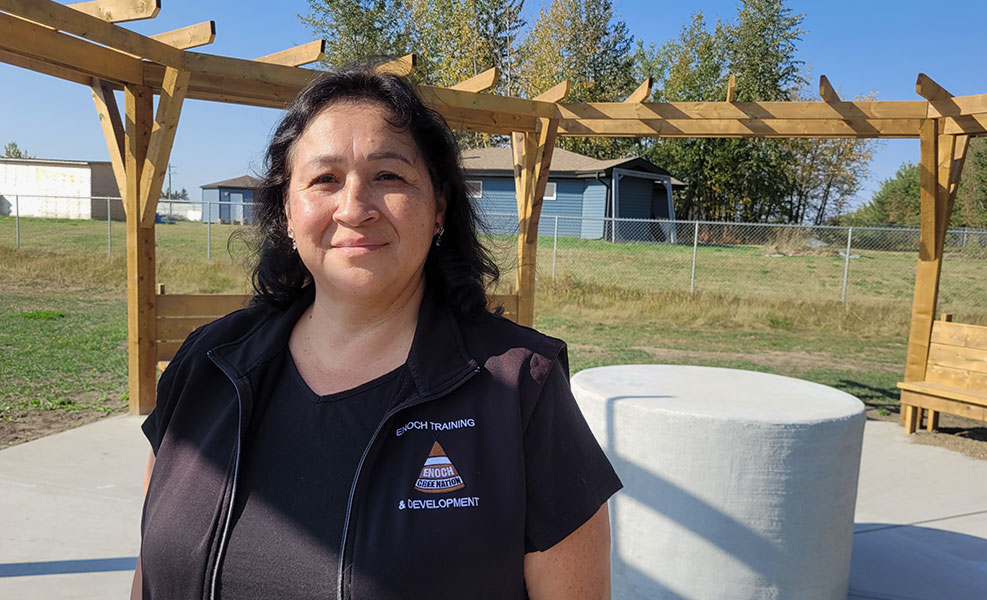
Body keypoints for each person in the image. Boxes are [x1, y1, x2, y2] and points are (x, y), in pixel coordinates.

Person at [133, 66, 622, 600]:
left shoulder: (521, 389)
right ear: (287, 214)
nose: (354, 208)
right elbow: (148, 578)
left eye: (389, 176)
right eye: (324, 179)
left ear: (438, 207)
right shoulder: (207, 365)